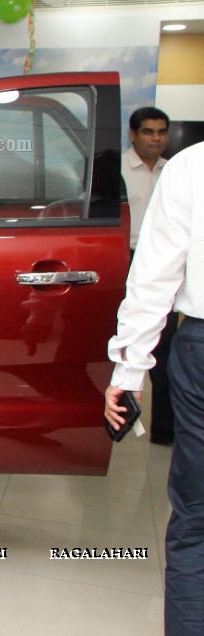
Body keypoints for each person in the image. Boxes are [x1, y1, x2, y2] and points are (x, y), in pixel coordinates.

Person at [105, 139, 204, 636]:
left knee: (197, 529)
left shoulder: (192, 166)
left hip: (203, 348)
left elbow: (155, 277)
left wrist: (128, 372)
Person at [122, 106, 175, 444]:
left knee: (164, 351)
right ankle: (111, 420)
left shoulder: (176, 172)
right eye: (148, 132)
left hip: (162, 266)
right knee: (116, 343)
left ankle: (165, 432)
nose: (156, 138)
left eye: (161, 132)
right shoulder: (117, 170)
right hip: (122, 261)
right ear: (133, 134)